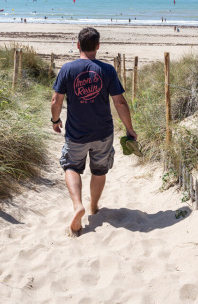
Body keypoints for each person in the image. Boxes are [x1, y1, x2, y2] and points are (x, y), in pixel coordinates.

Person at [51, 27, 137, 237]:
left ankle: (78, 205)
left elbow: (56, 100)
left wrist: (55, 120)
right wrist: (129, 128)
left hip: (76, 133)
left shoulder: (68, 69)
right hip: (103, 133)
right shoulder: (107, 70)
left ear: (78, 45)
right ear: (98, 46)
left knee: (71, 166)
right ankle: (94, 207)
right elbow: (120, 102)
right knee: (99, 170)